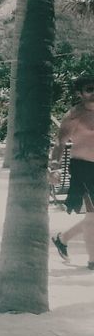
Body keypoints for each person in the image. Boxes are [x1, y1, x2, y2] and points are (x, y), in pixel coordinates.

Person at [51, 75, 94, 269]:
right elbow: (60, 145)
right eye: (89, 89)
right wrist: (54, 168)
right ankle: (93, 261)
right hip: (83, 168)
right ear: (80, 93)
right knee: (93, 215)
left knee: (92, 216)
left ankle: (63, 238)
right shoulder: (73, 116)